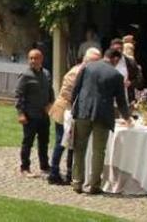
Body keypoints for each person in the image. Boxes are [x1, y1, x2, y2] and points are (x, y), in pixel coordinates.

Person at [70, 48, 133, 194]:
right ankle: (94, 185)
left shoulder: (86, 67)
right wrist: (127, 118)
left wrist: (74, 108)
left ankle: (77, 182)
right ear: (115, 59)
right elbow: (121, 101)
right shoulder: (116, 75)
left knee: (79, 148)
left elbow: (76, 89)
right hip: (103, 115)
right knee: (99, 151)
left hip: (83, 112)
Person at [49, 48, 101, 185]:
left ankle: (70, 172)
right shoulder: (77, 72)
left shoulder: (85, 72)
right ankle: (54, 172)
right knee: (62, 142)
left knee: (72, 143)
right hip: (64, 110)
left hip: (73, 111)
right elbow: (69, 94)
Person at [15, 48, 54, 177]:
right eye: (31, 58)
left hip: (43, 115)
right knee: (28, 142)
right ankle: (25, 167)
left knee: (44, 142)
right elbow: (19, 95)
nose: (33, 61)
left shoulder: (46, 74)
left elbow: (50, 91)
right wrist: (20, 113)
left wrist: (50, 104)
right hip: (30, 115)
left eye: (35, 58)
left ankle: (45, 166)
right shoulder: (25, 75)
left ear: (41, 59)